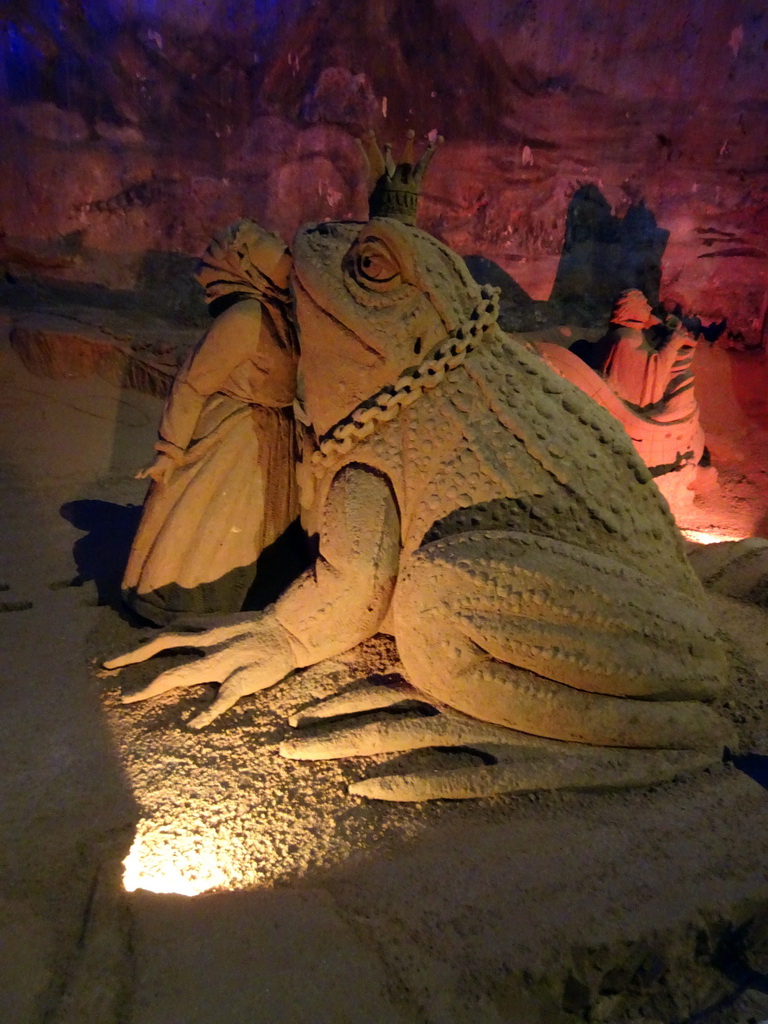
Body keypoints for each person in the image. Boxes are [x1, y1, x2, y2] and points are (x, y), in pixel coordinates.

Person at [122, 221, 299, 625]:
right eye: (269, 245)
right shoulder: (245, 316)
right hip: (234, 437)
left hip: (272, 434)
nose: (283, 253)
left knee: (261, 524)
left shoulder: (279, 316)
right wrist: (170, 449)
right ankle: (188, 605)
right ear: (245, 262)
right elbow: (191, 384)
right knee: (216, 524)